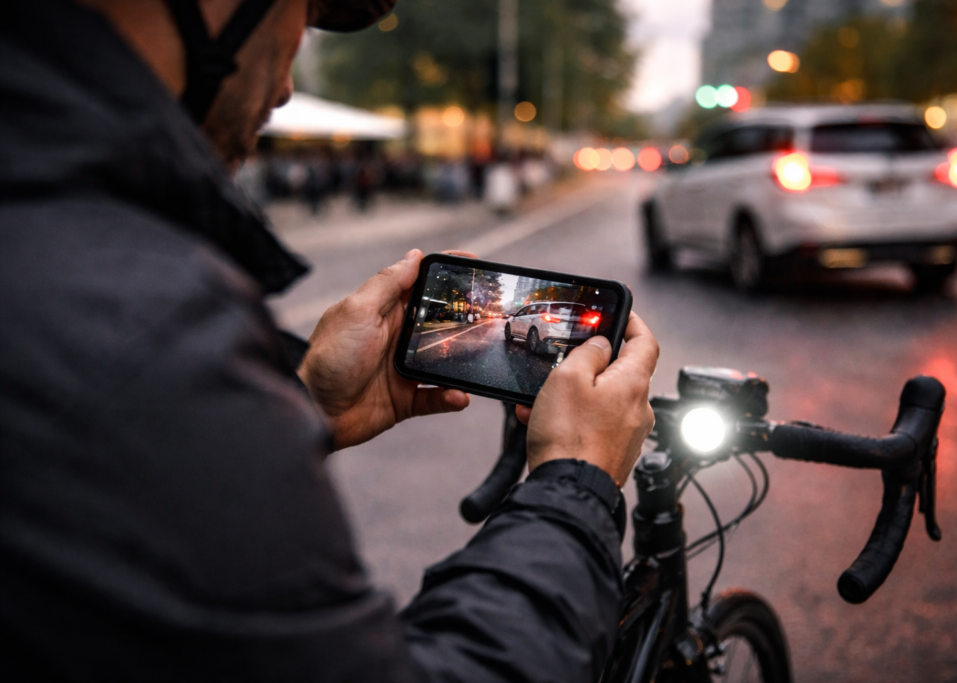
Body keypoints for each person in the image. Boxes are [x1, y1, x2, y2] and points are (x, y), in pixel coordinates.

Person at [0, 1, 660, 680]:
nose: (288, 84)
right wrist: (575, 482)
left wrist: (305, 399)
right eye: (304, 10)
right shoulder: (147, 324)